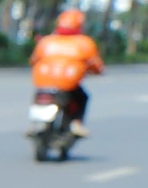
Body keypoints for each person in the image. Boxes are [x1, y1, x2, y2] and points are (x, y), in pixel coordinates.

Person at [31, 7, 104, 135]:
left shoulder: (46, 41)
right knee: (82, 97)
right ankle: (76, 123)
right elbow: (96, 66)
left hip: (43, 84)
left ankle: (36, 125)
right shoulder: (85, 43)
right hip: (68, 86)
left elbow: (34, 60)